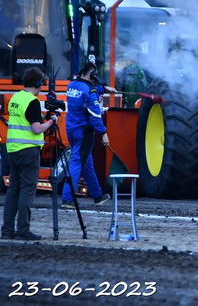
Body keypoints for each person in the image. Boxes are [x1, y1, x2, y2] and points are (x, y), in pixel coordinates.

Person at [2, 67, 58, 240]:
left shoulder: (15, 98)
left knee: (13, 189)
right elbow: (36, 129)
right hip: (28, 151)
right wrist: (51, 121)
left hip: (12, 150)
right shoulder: (32, 101)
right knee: (27, 190)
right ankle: (23, 229)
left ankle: (7, 230)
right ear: (39, 83)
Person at [61, 62, 116, 208]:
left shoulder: (72, 84)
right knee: (77, 162)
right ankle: (67, 198)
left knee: (87, 163)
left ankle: (97, 195)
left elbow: (86, 88)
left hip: (71, 130)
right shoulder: (90, 93)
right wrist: (103, 133)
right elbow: (95, 117)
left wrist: (104, 89)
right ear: (93, 75)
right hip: (83, 132)